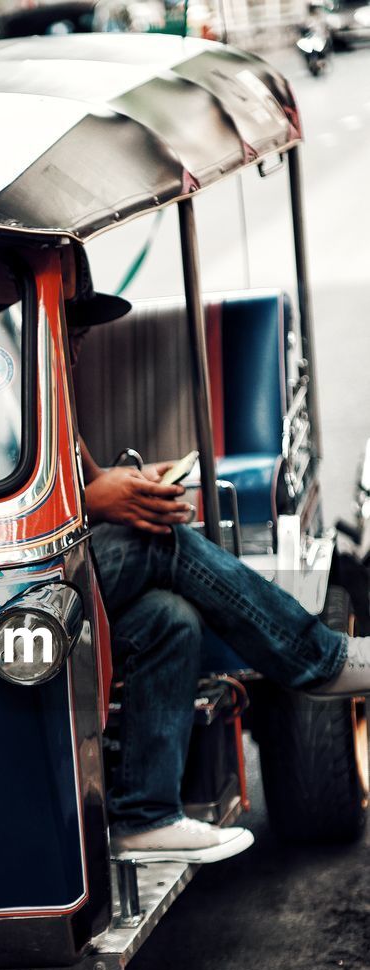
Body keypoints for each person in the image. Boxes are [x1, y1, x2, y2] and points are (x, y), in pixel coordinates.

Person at [68, 278, 370, 864]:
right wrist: (100, 502)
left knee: (169, 618)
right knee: (156, 540)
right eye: (70, 330)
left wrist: (125, 485)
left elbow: (83, 482)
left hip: (74, 574)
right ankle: (320, 660)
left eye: (79, 334)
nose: (76, 346)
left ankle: (146, 815)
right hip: (21, 592)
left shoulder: (52, 394)